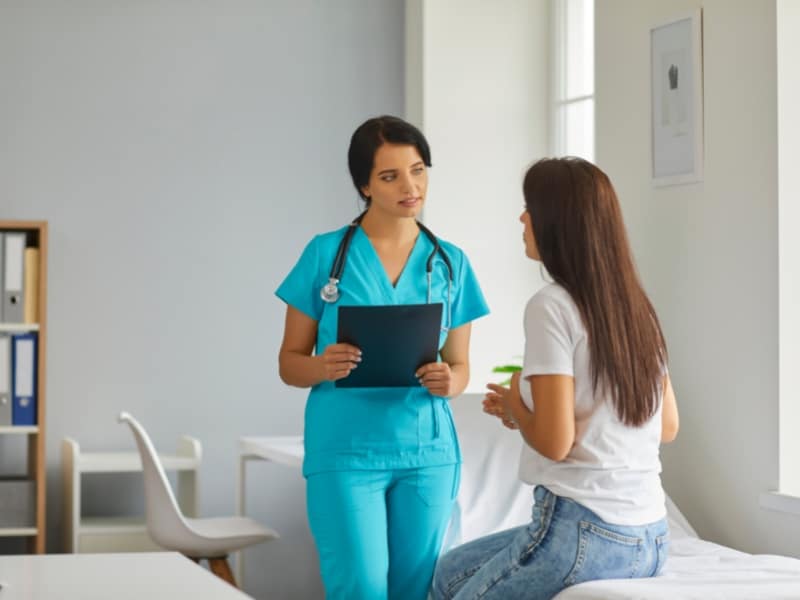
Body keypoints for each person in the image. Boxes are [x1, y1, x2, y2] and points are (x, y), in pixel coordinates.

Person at [431, 157, 680, 600]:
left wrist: (516, 408)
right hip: (651, 536)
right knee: (449, 572)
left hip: (584, 529)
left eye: (530, 207)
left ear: (558, 222)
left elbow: (554, 443)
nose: (522, 218)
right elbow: (666, 426)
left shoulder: (551, 305)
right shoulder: (636, 307)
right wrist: (527, 413)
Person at [276, 115, 489, 600]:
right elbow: (290, 362)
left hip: (427, 453)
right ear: (364, 185)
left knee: (415, 591)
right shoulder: (324, 254)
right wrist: (322, 365)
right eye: (391, 176)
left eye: (418, 170)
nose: (410, 187)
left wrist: (448, 381)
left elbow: (461, 366)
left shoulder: (450, 261)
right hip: (346, 453)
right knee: (361, 588)